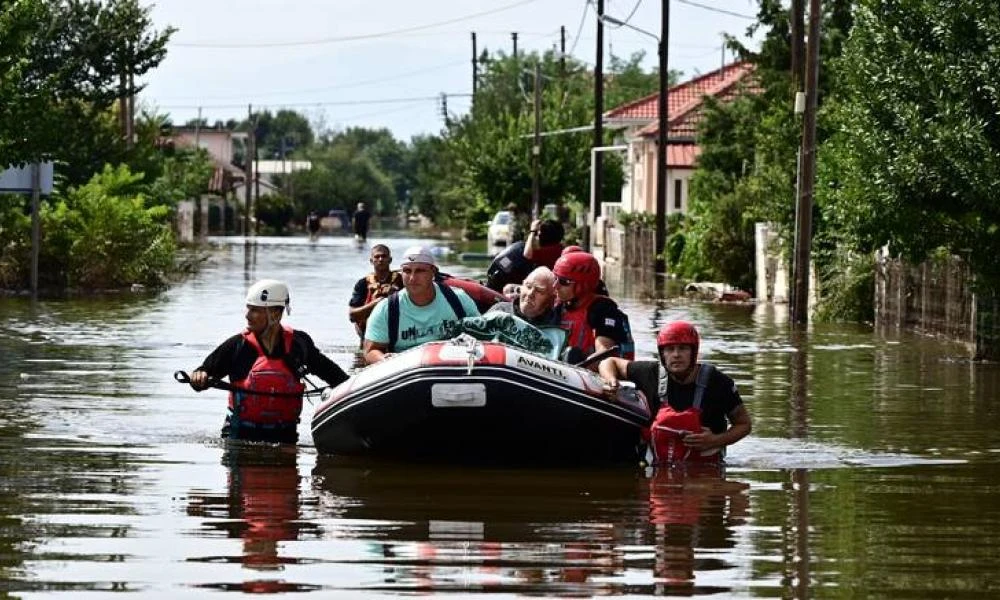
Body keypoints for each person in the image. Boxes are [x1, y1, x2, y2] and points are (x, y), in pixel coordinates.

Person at [187, 279, 349, 444]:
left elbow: (336, 378)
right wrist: (199, 377)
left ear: (276, 315)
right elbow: (204, 372)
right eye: (248, 309)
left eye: (255, 310)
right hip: (239, 436)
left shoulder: (298, 344)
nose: (247, 315)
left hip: (285, 436)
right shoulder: (237, 345)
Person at [597, 321, 752, 464]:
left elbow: (744, 425)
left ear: (694, 352)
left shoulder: (718, 383)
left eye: (683, 348)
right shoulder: (650, 373)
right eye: (670, 349)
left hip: (706, 473)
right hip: (659, 469)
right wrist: (611, 381)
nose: (676, 355)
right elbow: (609, 362)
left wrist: (715, 440)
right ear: (662, 354)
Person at [363, 246, 480, 364]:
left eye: (420, 271)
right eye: (407, 271)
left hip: (453, 365)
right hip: (406, 371)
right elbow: (370, 351)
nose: (412, 278)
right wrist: (385, 360)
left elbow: (481, 336)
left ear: (433, 272)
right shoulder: (386, 309)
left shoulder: (458, 299)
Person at [552, 251, 632, 364]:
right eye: (554, 277)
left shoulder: (603, 310)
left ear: (584, 285)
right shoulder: (558, 305)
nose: (555, 285)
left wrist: (575, 365)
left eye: (564, 281)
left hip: (589, 372)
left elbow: (605, 353)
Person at [348, 244, 403, 340]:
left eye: (384, 256)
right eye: (377, 257)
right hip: (369, 334)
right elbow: (352, 316)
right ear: (371, 261)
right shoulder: (363, 283)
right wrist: (375, 303)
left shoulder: (401, 281)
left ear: (390, 260)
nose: (380, 259)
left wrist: (395, 296)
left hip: (398, 331)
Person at [487, 266, 561, 328]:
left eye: (539, 290)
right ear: (521, 286)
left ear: (551, 298)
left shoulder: (556, 323)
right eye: (528, 286)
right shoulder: (499, 310)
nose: (530, 294)